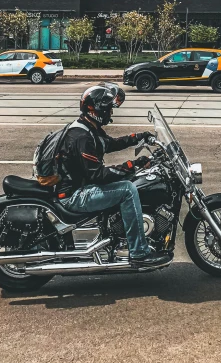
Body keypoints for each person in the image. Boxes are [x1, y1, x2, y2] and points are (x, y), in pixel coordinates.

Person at [57, 83, 171, 267]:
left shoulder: (87, 127)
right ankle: (139, 252)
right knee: (127, 189)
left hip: (80, 187)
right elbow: (99, 175)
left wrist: (138, 137)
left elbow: (109, 144)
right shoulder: (81, 137)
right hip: (74, 195)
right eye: (109, 109)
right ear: (98, 110)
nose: (111, 113)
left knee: (127, 180)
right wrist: (133, 165)